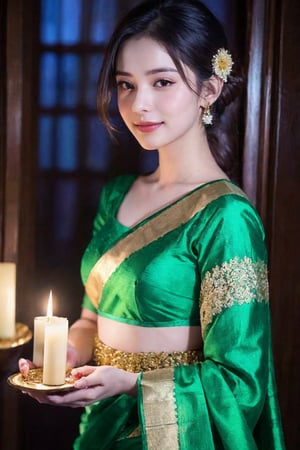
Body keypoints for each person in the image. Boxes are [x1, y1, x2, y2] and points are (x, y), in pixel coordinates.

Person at [19, 0, 286, 448]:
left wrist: (130, 383)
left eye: (162, 81)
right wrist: (64, 358)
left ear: (209, 89)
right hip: (99, 425)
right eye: (126, 85)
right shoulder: (117, 194)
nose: (138, 104)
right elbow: (90, 317)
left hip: (169, 434)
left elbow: (242, 382)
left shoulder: (226, 218)